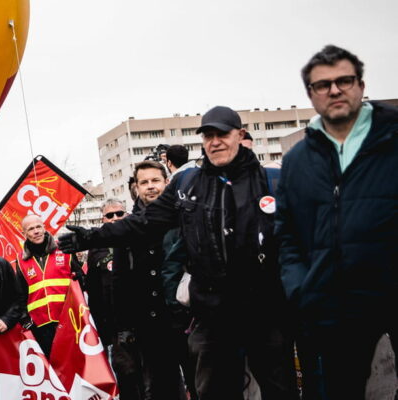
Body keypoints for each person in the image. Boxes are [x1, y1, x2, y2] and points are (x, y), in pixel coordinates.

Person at [60, 105, 298, 399]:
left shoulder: (271, 182)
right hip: (213, 313)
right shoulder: (189, 185)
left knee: (278, 389)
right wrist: (91, 237)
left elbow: (298, 243)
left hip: (264, 310)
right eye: (208, 135)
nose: (215, 141)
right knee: (215, 390)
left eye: (222, 133)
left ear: (240, 135)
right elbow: (142, 223)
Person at [276, 44, 397, 399]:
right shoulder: (299, 159)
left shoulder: (392, 137)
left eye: (344, 80)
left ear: (360, 84)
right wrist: (302, 288)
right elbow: (288, 234)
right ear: (311, 95)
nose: (334, 90)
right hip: (335, 302)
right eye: (322, 84)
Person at [107, 161, 187, 400]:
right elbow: (119, 280)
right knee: (162, 387)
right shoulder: (127, 227)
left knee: (202, 383)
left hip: (186, 318)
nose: (150, 187)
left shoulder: (183, 216)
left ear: (166, 183)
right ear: (136, 188)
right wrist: (124, 327)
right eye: (144, 182)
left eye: (155, 181)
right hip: (149, 324)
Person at [14, 214, 76, 358]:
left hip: (68, 320)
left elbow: (80, 282)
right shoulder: (20, 260)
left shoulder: (65, 250)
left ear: (44, 227)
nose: (36, 231)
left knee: (73, 366)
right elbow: (20, 294)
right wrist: (26, 320)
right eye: (30, 229)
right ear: (24, 234)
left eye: (38, 227)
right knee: (52, 369)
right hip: (40, 326)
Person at [84, 199, 127, 347]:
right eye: (110, 215)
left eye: (119, 213)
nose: (115, 218)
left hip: (141, 314)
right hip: (112, 319)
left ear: (126, 215)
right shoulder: (95, 246)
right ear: (103, 219)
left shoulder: (137, 237)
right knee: (125, 366)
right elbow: (93, 286)